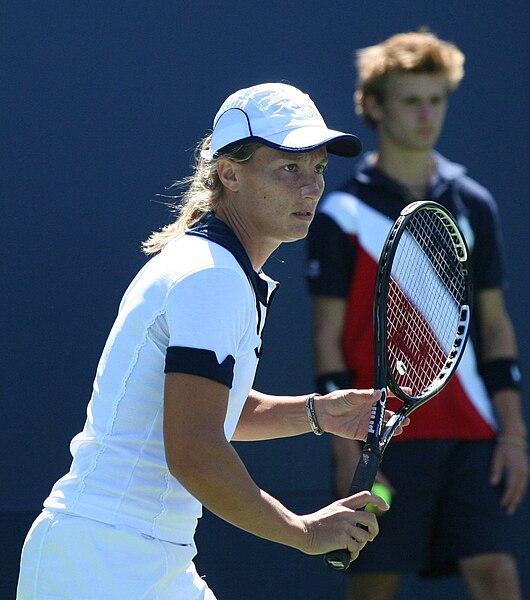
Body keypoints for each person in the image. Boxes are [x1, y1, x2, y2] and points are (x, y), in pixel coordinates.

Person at [16, 82, 409, 599]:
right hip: (105, 563)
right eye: (289, 168)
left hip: (138, 556)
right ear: (229, 173)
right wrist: (303, 531)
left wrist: (317, 412)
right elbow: (196, 449)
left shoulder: (217, 270)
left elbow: (213, 411)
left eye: (317, 169)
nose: (311, 187)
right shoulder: (212, 278)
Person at [306, 30, 528, 600]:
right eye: (411, 99)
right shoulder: (340, 216)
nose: (427, 114)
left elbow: (495, 324)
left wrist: (514, 435)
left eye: (437, 99)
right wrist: (346, 451)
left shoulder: (473, 203)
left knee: (496, 575)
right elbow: (328, 339)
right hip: (384, 436)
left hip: (474, 435)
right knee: (374, 584)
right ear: (375, 106)